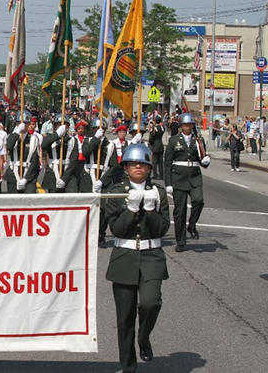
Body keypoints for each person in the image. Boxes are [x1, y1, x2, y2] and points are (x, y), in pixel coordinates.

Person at [105, 143, 170, 373]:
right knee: (125, 318)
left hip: (152, 255)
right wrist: (131, 210)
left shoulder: (158, 192)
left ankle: (144, 338)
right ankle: (128, 367)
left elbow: (162, 229)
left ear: (150, 168)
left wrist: (150, 210)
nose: (138, 167)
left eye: (143, 164)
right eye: (133, 164)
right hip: (125, 255)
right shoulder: (116, 192)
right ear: (126, 167)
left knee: (151, 303)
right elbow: (117, 229)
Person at [164, 112, 210, 252]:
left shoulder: (198, 140)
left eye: (189, 125)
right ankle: (181, 241)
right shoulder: (174, 140)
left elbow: (203, 158)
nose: (187, 127)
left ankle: (192, 224)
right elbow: (167, 163)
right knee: (180, 211)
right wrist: (168, 183)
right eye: (185, 125)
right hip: (178, 177)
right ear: (180, 126)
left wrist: (205, 161)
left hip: (195, 176)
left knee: (198, 200)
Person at [4, 117, 41, 193]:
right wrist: (17, 131)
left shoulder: (34, 139)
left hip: (29, 175)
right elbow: (9, 146)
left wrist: (26, 178)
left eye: (25, 123)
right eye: (20, 123)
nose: (23, 125)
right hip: (13, 174)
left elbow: (35, 161)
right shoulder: (12, 136)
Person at [147, 115, 165, 180]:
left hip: (155, 145)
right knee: (160, 162)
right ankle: (161, 175)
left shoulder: (154, 128)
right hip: (161, 144)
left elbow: (151, 137)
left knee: (154, 161)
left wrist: (151, 143)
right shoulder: (162, 127)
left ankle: (155, 175)